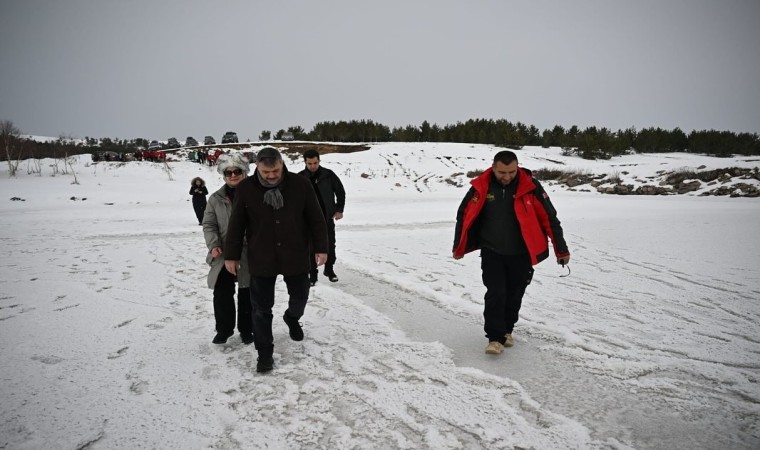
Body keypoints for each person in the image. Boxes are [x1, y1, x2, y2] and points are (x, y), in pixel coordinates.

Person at [453, 150, 570, 355]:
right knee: (496, 293)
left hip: (522, 253)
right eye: (502, 172)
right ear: (493, 167)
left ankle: (507, 330)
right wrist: (459, 247)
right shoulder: (482, 186)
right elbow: (463, 215)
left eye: (511, 172)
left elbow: (549, 218)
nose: (507, 177)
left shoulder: (531, 187)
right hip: (492, 251)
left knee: (515, 294)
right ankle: (495, 338)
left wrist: (561, 249)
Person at [224, 147, 328, 373]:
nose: (271, 176)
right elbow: (236, 224)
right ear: (257, 167)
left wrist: (321, 248)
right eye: (266, 171)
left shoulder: (300, 185)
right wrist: (231, 255)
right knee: (261, 309)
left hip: (296, 253)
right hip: (262, 257)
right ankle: (265, 354)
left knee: (300, 296)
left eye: (276, 171)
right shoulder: (246, 188)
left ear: (282, 164)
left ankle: (292, 318)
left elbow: (316, 219)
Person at [202, 154, 253, 345]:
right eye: (228, 172)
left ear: (244, 172)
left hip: (249, 254)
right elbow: (208, 224)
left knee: (247, 293)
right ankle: (224, 330)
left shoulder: (255, 194)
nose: (233, 175)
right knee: (222, 293)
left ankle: (248, 330)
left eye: (237, 171)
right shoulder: (215, 199)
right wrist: (213, 244)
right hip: (223, 254)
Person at [298, 149, 346, 285]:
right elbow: (293, 199)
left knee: (330, 245)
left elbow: (340, 192)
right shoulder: (300, 177)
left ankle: (329, 270)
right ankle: (312, 275)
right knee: (311, 248)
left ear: (319, 161)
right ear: (305, 163)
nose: (313, 166)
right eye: (310, 163)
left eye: (315, 163)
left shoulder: (328, 175)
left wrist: (339, 209)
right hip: (308, 220)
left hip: (327, 217)